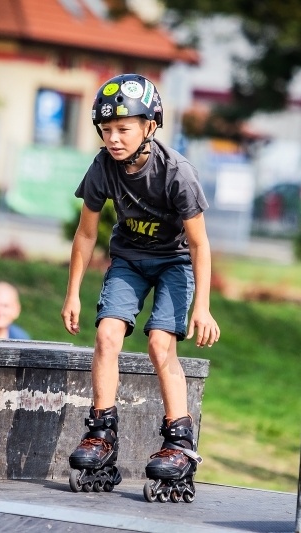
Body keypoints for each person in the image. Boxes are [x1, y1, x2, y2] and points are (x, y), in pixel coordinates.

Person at [60, 73, 220, 501]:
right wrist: (73, 291)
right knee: (107, 335)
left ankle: (180, 443)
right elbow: (86, 234)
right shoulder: (103, 168)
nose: (113, 139)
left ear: (150, 126)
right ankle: (101, 434)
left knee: (159, 344)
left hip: (175, 262)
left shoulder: (177, 174)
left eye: (124, 129)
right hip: (130, 259)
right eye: (106, 130)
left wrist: (201, 307)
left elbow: (201, 244)